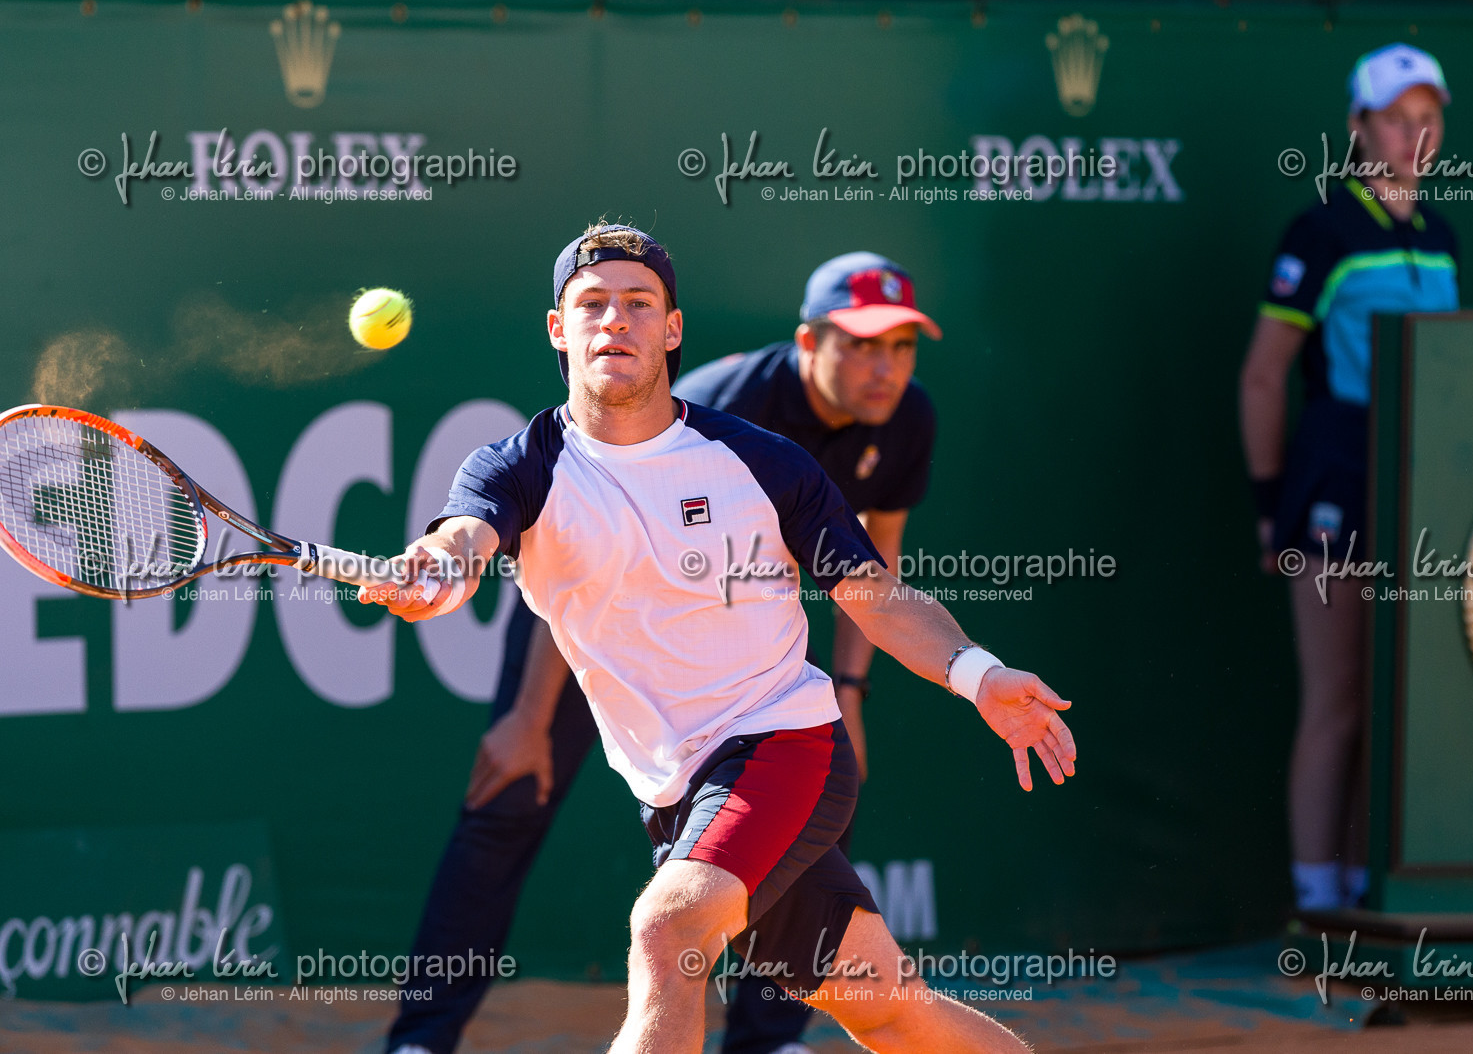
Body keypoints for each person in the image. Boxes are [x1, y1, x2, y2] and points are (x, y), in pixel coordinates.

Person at [365, 223, 1074, 1054]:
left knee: (666, 932)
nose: (615, 322)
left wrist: (978, 673)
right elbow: (459, 544)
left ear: (672, 329)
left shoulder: (758, 459)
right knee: (889, 1009)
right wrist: (431, 568)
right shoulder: (514, 467)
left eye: (639, 304)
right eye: (592, 305)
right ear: (559, 330)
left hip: (782, 743)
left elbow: (875, 593)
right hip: (672, 785)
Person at [1238, 44, 1459, 911]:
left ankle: (1378, 899)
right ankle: (1318, 903)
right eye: (1397, 118)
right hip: (1332, 485)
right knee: (1337, 696)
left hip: (1423, 492)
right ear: (1358, 127)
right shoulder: (1321, 230)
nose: (1415, 134)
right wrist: (1269, 507)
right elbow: (1263, 376)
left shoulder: (1441, 236)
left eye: (1427, 117)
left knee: (1395, 702)